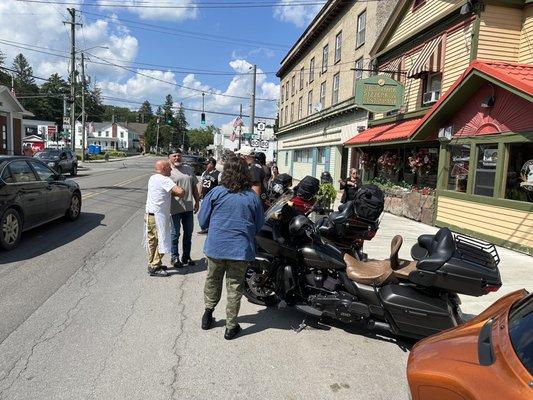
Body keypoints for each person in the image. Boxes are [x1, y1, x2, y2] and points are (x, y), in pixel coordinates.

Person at [198, 156, 265, 340]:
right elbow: (259, 224)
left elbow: (202, 221)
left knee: (212, 280)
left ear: (225, 172)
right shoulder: (252, 197)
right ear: (246, 174)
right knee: (235, 286)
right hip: (240, 249)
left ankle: (207, 314)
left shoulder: (216, 192)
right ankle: (230, 326)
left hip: (215, 247)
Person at [144, 160, 185, 277]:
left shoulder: (152, 178)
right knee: (164, 241)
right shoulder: (165, 180)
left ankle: (152, 263)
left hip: (149, 215)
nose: (171, 170)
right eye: (169, 168)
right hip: (159, 217)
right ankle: (154, 267)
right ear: (163, 168)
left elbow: (163, 192)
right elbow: (180, 191)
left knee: (153, 242)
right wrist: (182, 192)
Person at [168, 149, 200, 268]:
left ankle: (186, 256)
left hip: (188, 208)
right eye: (174, 156)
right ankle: (174, 257)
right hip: (174, 208)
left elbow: (194, 187)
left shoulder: (188, 169)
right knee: (175, 234)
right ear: (170, 157)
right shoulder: (168, 171)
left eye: (179, 156)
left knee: (188, 233)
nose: (177, 158)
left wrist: (197, 202)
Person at [198, 157, 220, 234]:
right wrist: (199, 193)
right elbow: (201, 183)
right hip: (204, 197)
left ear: (212, 164)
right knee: (204, 213)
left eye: (207, 164)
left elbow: (220, 186)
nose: (205, 166)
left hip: (213, 197)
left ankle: (211, 228)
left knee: (212, 213)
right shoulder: (204, 172)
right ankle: (205, 227)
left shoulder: (218, 174)